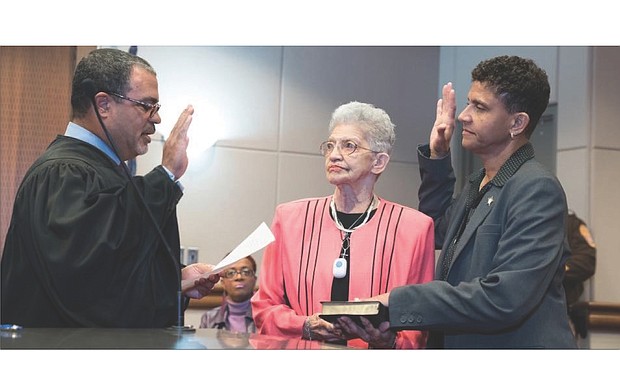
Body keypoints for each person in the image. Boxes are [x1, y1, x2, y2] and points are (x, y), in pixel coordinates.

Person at [335, 55, 577, 348]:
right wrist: (437, 155)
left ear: (517, 123)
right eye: (468, 103)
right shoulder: (480, 182)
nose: (463, 115)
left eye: (480, 107)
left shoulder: (536, 189)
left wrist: (397, 300)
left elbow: (504, 298)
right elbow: (435, 227)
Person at [1, 48, 219, 328]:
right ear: (103, 105)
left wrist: (174, 281)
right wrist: (165, 175)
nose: (156, 119)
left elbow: (112, 271)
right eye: (146, 106)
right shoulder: (62, 173)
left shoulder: (104, 171)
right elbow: (81, 281)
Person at [251, 101, 436, 349]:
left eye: (349, 146)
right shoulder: (290, 218)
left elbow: (419, 319)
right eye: (330, 145)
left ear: (379, 162)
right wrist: (305, 325)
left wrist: (390, 341)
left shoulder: (414, 228)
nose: (334, 155)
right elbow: (264, 306)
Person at [200, 255, 258, 333]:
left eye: (246, 272)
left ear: (254, 280)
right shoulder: (208, 319)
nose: (239, 277)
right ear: (223, 283)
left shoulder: (266, 317)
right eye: (231, 273)